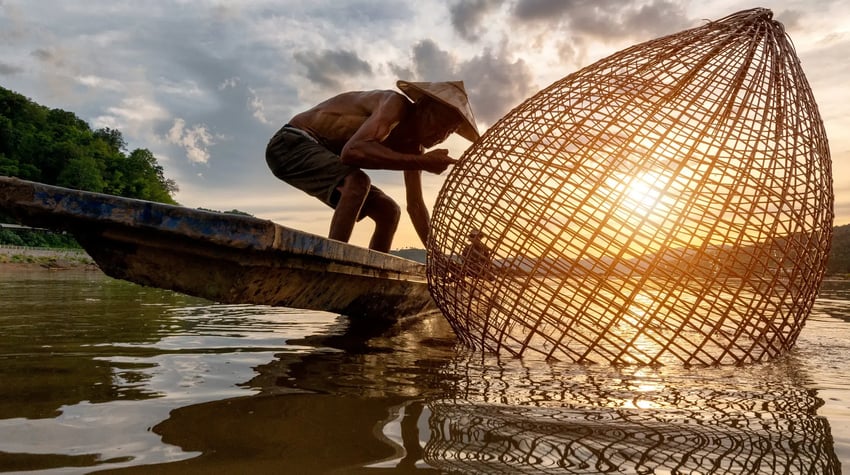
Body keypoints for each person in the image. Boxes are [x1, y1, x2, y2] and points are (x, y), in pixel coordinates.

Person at [265, 80, 479, 253]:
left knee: (389, 211)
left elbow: (415, 205)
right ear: (422, 107)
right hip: (290, 143)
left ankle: (371, 274)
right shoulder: (393, 105)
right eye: (439, 122)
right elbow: (352, 152)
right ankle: (330, 262)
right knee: (357, 183)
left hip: (319, 153)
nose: (441, 135)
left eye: (449, 131)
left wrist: (437, 257)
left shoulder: (414, 147)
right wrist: (422, 162)